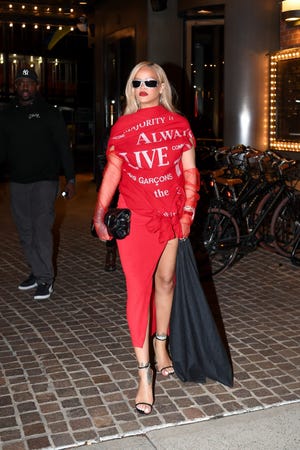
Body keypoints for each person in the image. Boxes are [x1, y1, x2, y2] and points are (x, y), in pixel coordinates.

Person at [93, 61, 200, 415]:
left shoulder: (180, 125)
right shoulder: (122, 128)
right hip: (136, 219)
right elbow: (112, 171)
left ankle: (161, 344)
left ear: (162, 88)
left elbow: (189, 172)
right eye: (136, 81)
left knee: (166, 281)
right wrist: (99, 213)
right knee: (138, 291)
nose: (142, 87)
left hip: (169, 215)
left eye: (150, 82)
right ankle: (143, 375)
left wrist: (187, 212)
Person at [0, 67, 75, 300]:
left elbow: (63, 146)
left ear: (37, 87)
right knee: (25, 231)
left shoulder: (49, 113)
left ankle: (45, 279)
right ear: (15, 86)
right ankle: (37, 270)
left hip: (45, 180)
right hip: (18, 181)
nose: (24, 87)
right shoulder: (6, 114)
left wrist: (70, 178)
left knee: (41, 229)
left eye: (29, 83)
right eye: (20, 82)